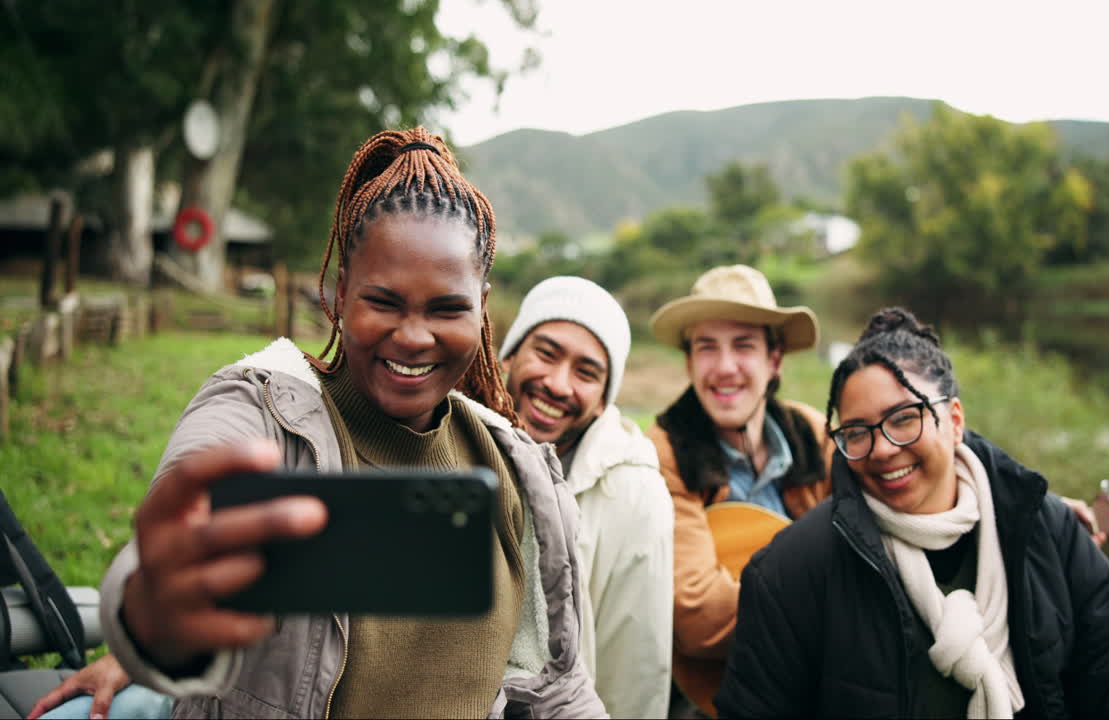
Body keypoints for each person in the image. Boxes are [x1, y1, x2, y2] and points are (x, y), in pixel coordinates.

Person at [46, 128, 605, 720]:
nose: (414, 337)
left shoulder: (515, 469)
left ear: (483, 307)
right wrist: (152, 608)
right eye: (384, 302)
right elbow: (174, 534)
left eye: (447, 308)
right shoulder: (262, 416)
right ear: (339, 295)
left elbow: (560, 689)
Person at [714, 307, 1109, 718]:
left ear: (954, 418)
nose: (883, 448)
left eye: (905, 418)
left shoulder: (1042, 527)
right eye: (857, 433)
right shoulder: (790, 572)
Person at [644, 265, 835, 715]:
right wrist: (825, 592)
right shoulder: (663, 451)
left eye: (744, 345)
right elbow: (697, 617)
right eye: (707, 347)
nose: (725, 368)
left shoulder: (814, 433)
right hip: (712, 700)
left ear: (774, 359)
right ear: (689, 362)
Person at [498, 276, 674, 719]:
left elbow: (635, 666)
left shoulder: (634, 492)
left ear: (602, 401)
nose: (558, 384)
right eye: (546, 353)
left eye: (586, 372)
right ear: (510, 354)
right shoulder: (449, 440)